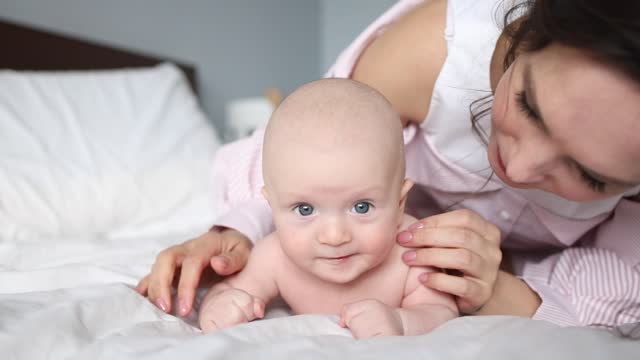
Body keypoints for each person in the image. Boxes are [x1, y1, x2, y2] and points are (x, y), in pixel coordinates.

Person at [137, 0, 640, 333]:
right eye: (529, 104)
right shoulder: (429, 55)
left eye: (590, 175)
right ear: (530, 30)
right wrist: (236, 233)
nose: (521, 167)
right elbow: (303, 153)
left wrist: (499, 286)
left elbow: (619, 294)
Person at [196, 78, 458, 338]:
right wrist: (222, 306)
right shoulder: (275, 257)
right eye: (305, 210)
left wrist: (401, 321)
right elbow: (225, 291)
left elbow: (441, 312)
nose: (334, 236)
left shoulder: (412, 253)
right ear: (272, 207)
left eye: (362, 207)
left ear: (400, 204)